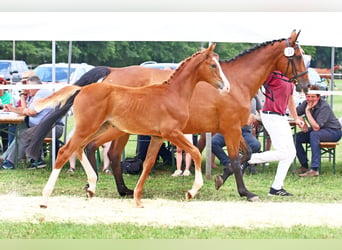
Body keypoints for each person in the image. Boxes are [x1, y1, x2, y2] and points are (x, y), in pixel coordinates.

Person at [246, 71, 305, 196]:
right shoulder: (274, 74)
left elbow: (290, 100)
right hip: (271, 116)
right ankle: (248, 159)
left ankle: (276, 188)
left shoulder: (290, 80)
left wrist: (296, 118)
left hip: (281, 117)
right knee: (284, 153)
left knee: (291, 153)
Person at [0, 76, 64, 170]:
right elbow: (26, 109)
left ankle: (9, 164)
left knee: (25, 134)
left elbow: (31, 112)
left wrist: (13, 109)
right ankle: (34, 160)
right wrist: (12, 108)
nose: (27, 90)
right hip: (45, 127)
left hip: (53, 128)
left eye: (28, 87)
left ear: (35, 85)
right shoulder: (36, 95)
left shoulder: (42, 93)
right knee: (24, 130)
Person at [295, 85, 342, 177]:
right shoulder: (305, 103)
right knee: (295, 138)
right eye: (308, 96)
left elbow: (316, 127)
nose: (310, 99)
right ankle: (304, 165)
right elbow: (295, 113)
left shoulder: (324, 106)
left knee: (314, 134)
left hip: (333, 132)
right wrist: (302, 121)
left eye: (313, 97)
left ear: (318, 97)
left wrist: (307, 112)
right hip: (317, 131)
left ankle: (314, 169)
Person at [211, 96, 262, 175]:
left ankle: (242, 164)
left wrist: (255, 118)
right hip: (228, 130)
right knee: (213, 142)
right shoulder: (232, 95)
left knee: (256, 145)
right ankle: (229, 164)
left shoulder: (254, 98)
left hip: (244, 131)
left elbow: (261, 113)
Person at [0, 77, 15, 152]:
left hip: (6, 120)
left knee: (5, 126)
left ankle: (6, 148)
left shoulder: (9, 97)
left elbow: (11, 107)